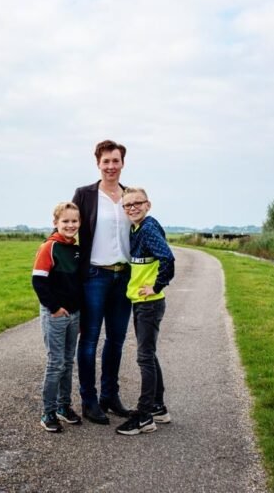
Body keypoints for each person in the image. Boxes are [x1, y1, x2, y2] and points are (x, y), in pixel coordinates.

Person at [72, 139, 133, 425]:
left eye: (116, 161)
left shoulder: (131, 195)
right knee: (90, 340)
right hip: (95, 276)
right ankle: (89, 400)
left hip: (124, 277)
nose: (111, 166)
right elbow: (68, 228)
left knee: (117, 340)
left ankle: (110, 396)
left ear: (123, 163)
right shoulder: (85, 195)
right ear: (98, 164)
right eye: (106, 161)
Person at [115, 187, 175, 435]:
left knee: (144, 358)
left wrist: (157, 285)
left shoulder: (148, 228)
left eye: (137, 203)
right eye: (127, 205)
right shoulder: (136, 228)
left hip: (149, 304)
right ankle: (159, 407)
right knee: (149, 355)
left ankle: (144, 417)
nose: (132, 208)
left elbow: (168, 258)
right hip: (142, 303)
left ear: (148, 205)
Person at [31, 202, 84, 433]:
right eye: (65, 221)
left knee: (68, 362)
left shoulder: (76, 249)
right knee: (56, 363)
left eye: (74, 221)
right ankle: (48, 412)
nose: (70, 225)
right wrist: (54, 308)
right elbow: (38, 281)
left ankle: (64, 406)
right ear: (56, 223)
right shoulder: (49, 248)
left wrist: (79, 314)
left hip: (74, 315)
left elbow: (78, 285)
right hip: (55, 314)